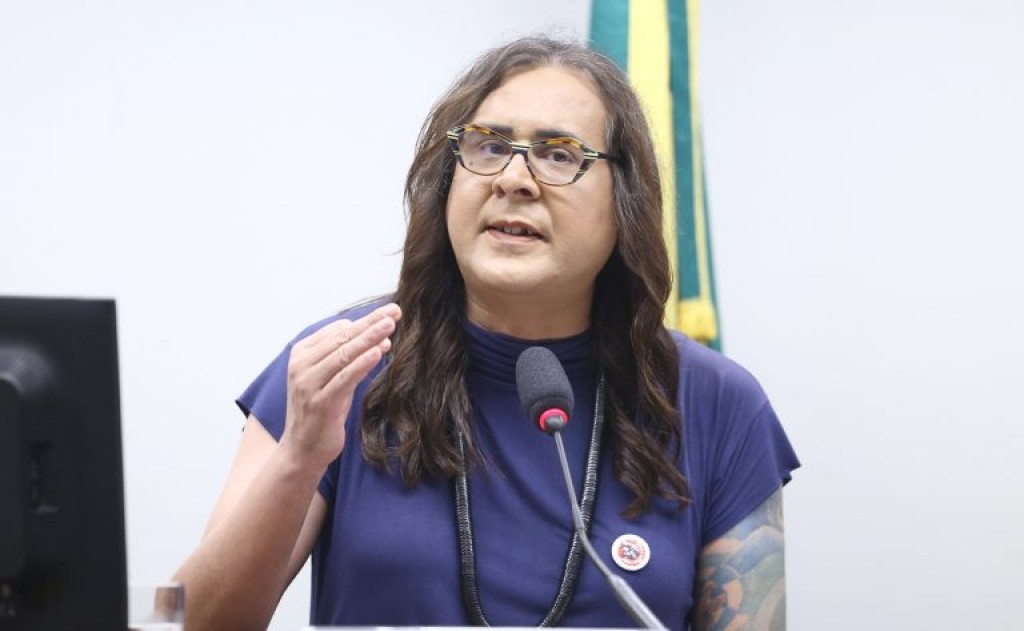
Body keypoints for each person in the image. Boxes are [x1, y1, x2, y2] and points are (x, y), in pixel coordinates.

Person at [173, 36, 800, 631]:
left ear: (625, 202)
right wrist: (298, 458)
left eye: (559, 154)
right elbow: (191, 621)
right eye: (488, 146)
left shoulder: (716, 402)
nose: (513, 179)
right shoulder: (343, 364)